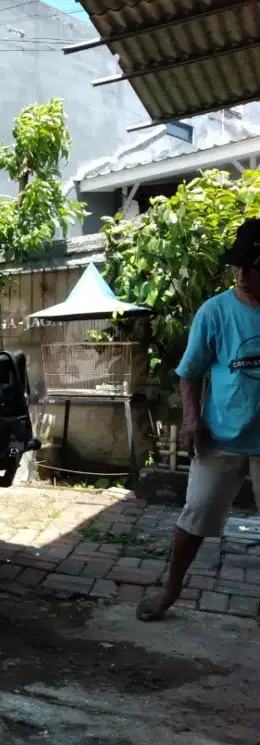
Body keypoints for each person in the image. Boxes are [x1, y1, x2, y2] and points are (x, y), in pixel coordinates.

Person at [136, 217, 260, 622]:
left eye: (252, 265)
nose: (241, 274)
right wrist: (192, 420)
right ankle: (171, 591)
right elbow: (188, 374)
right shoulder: (215, 312)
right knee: (196, 516)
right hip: (220, 437)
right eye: (237, 265)